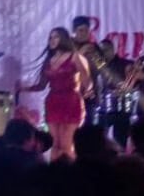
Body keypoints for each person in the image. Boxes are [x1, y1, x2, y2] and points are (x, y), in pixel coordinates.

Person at [20, 28, 91, 161]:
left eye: (56, 37)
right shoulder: (48, 61)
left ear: (63, 38)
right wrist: (24, 88)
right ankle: (55, 170)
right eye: (50, 38)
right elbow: (42, 85)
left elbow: (87, 81)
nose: (52, 40)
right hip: (53, 102)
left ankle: (69, 170)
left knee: (66, 144)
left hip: (71, 101)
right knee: (56, 144)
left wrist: (87, 90)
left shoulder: (75, 57)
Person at [97, 38, 134, 149]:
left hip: (122, 106)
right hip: (103, 106)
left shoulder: (125, 64)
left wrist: (125, 89)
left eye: (106, 50)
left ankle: (120, 157)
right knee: (99, 139)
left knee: (120, 139)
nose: (103, 53)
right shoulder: (98, 65)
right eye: (101, 51)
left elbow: (134, 84)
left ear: (113, 49)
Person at [71, 15, 103, 125]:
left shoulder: (93, 47)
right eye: (81, 30)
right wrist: (81, 53)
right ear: (74, 31)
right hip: (71, 95)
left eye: (87, 30)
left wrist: (94, 55)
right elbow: (65, 67)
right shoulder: (68, 46)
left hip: (90, 95)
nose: (84, 33)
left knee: (88, 127)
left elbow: (101, 68)